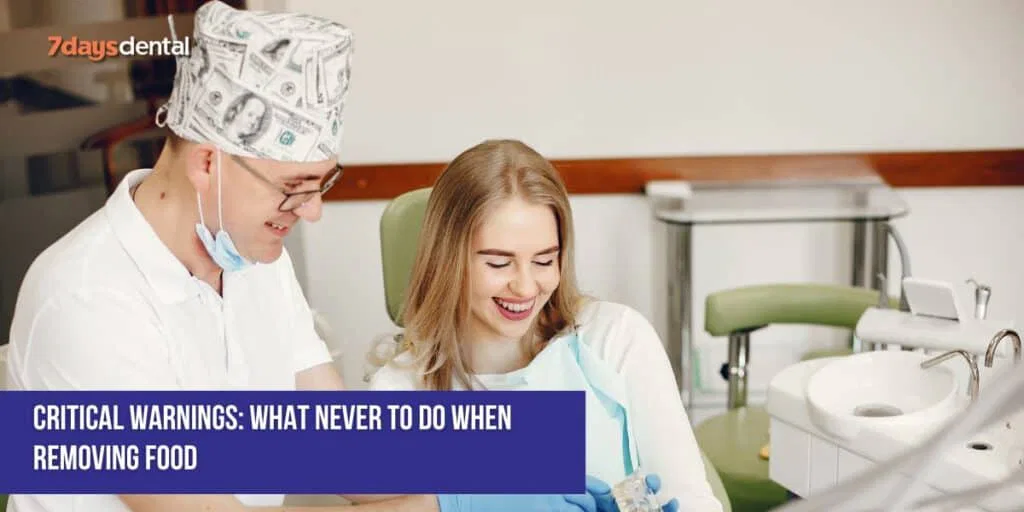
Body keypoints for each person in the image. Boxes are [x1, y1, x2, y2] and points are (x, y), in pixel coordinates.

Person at [4, 3, 601, 512]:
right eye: (293, 187)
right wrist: (451, 502)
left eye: (322, 184)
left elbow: (344, 450)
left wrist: (522, 461)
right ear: (208, 162)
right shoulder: (87, 299)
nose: (311, 211)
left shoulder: (251, 260)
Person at [368, 139, 726, 512]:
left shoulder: (616, 338)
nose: (525, 287)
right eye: (498, 263)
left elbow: (692, 499)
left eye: (544, 261)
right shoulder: (400, 389)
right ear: (447, 260)